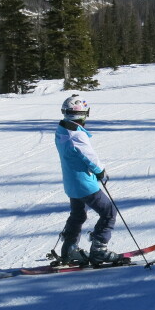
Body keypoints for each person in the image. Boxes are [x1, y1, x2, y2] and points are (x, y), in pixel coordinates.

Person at [52, 94, 130, 267]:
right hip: (84, 184)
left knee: (78, 215)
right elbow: (89, 157)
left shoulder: (62, 131)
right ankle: (99, 250)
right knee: (108, 212)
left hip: (71, 184)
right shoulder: (77, 136)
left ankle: (69, 249)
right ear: (83, 114)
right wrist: (100, 171)